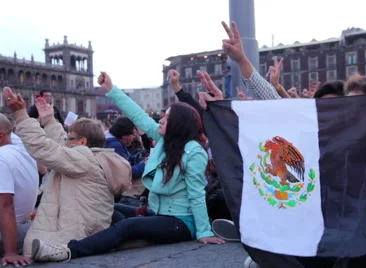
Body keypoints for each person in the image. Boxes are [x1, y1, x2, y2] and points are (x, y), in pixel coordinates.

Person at [28, 72, 225, 263]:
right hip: (157, 213)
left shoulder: (194, 152)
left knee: (128, 226)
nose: (162, 119)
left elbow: (196, 194)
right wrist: (112, 90)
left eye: (167, 117)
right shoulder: (165, 141)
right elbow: (138, 115)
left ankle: (68, 250)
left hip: (181, 222)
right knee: (107, 208)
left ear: (179, 124)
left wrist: (204, 232)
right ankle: (111, 240)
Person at [2, 87, 132, 259]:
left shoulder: (83, 158)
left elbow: (45, 148)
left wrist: (20, 115)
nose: (65, 140)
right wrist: (49, 120)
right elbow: (60, 145)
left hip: (69, 236)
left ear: (82, 142)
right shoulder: (94, 157)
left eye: (70, 137)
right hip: (86, 230)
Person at [0, 113, 38, 267]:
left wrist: (10, 252)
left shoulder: (1, 159)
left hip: (6, 236)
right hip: (24, 226)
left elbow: (5, 206)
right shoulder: (20, 146)